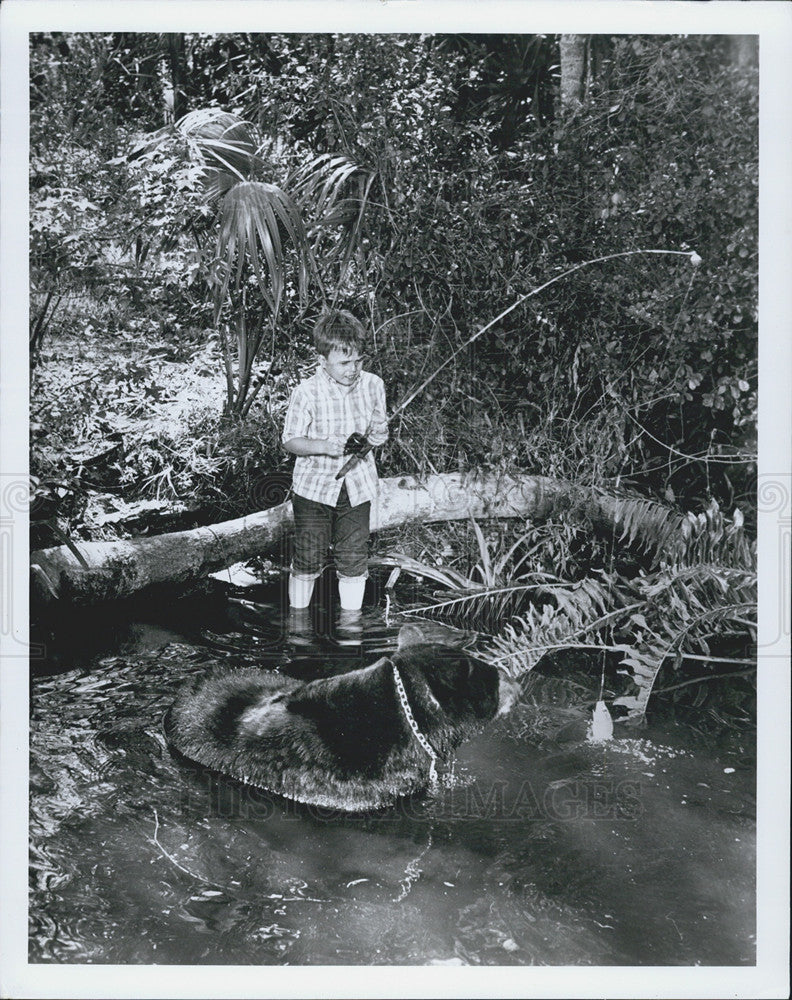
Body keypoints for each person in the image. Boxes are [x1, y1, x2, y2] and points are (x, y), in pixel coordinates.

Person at [282, 310, 388, 612]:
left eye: (358, 360)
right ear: (322, 360)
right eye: (344, 362)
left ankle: (350, 631)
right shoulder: (306, 393)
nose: (353, 369)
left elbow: (378, 430)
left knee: (354, 557)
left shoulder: (373, 385)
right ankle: (298, 627)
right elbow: (290, 440)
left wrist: (378, 436)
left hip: (358, 486)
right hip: (314, 489)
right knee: (308, 554)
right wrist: (326, 447)